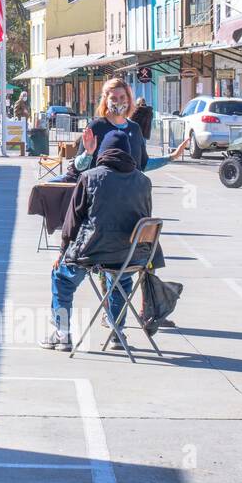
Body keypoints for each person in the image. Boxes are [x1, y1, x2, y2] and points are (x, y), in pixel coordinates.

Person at [41, 130, 163, 352]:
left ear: (103, 151)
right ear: (128, 152)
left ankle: (63, 334)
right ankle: (117, 333)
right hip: (130, 256)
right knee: (121, 280)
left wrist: (63, 250)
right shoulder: (144, 182)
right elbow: (145, 218)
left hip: (90, 253)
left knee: (62, 280)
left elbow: (72, 221)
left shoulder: (89, 177)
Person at [79, 77, 148, 170]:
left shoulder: (135, 128)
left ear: (128, 99)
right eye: (113, 98)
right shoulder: (95, 127)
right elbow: (78, 167)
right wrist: (88, 154)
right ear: (106, 101)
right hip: (102, 183)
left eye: (122, 97)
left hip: (131, 184)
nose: (118, 102)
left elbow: (144, 164)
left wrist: (171, 156)